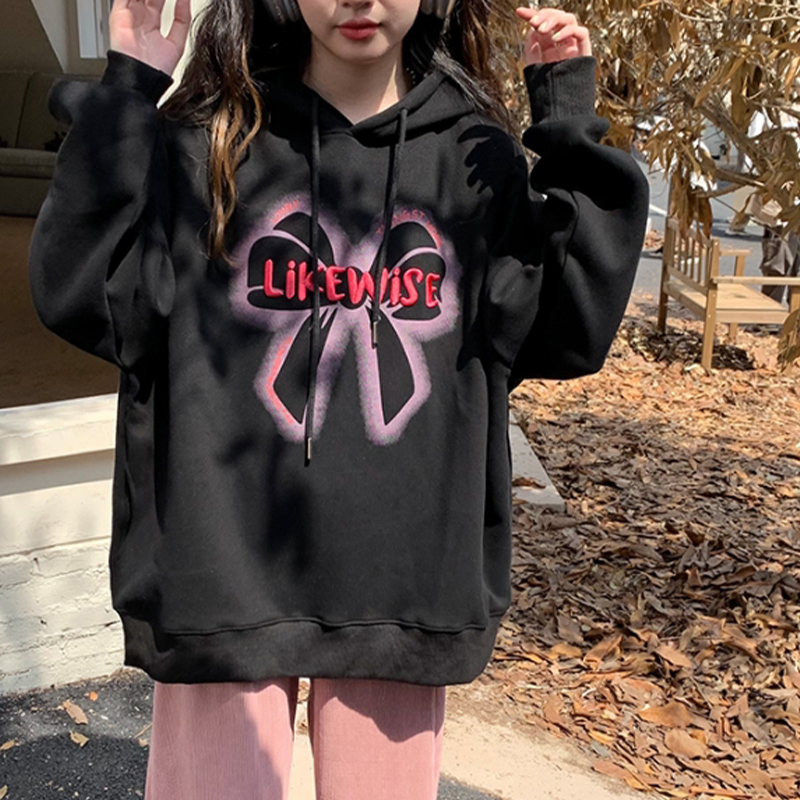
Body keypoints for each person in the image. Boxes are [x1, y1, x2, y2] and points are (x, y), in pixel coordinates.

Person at [27, 0, 649, 797]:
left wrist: (565, 119)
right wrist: (130, 84)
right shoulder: (211, 143)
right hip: (222, 573)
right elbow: (86, 292)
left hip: (404, 580)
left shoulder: (473, 160)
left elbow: (567, 326)